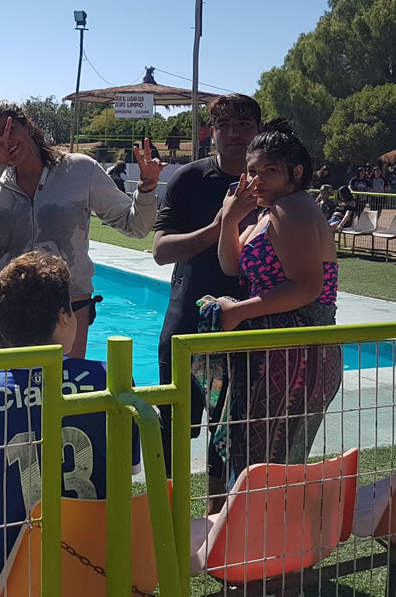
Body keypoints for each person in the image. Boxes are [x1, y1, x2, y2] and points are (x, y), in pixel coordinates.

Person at [0, 252, 141, 596]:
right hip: (106, 558)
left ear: (2, 329)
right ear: (64, 315)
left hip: (14, 566)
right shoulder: (110, 379)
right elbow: (127, 474)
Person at [0, 100, 162, 357]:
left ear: (29, 126)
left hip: (70, 302)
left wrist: (146, 189)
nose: (5, 140)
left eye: (9, 129)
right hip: (13, 305)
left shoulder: (79, 170)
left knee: (67, 379)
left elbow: (136, 227)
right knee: (19, 381)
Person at [214, 119, 341, 486]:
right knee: (264, 468)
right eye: (252, 171)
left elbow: (306, 288)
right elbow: (231, 265)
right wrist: (229, 219)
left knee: (268, 471)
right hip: (282, 353)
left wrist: (236, 312)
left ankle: (263, 527)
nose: (257, 180)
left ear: (296, 172)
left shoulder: (293, 209)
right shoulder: (269, 213)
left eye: (269, 171)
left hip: (296, 355)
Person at [152, 94, 261, 505]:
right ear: (212, 132)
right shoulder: (189, 178)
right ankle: (168, 525)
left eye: (244, 125)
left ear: (258, 131)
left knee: (227, 438)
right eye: (224, 126)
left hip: (243, 331)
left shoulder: (269, 184)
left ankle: (216, 522)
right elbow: (161, 251)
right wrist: (220, 225)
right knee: (173, 434)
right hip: (186, 330)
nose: (234, 134)